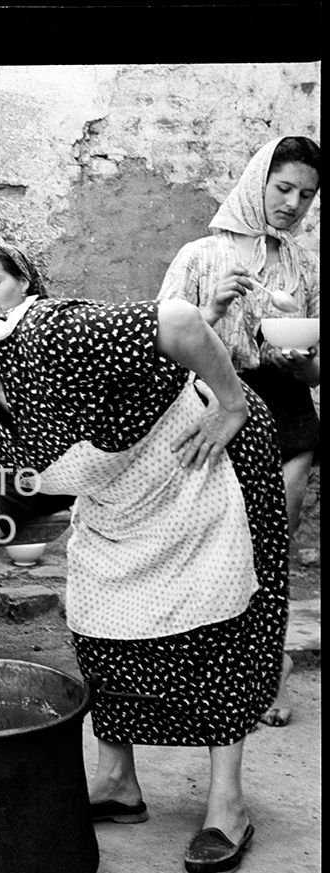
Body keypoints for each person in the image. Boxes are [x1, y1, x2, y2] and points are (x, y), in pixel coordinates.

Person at [0, 271, 288, 873]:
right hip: (119, 497)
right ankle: (119, 784)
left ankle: (227, 808)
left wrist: (231, 404)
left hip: (199, 457)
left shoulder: (54, 338)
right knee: (97, 620)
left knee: (215, 624)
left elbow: (180, 323)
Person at [158, 135, 320, 727]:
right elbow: (163, 344)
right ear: (258, 183)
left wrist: (303, 363)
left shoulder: (305, 265)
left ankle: (271, 671)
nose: (294, 204)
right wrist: (213, 313)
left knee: (275, 546)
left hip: (289, 411)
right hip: (217, 404)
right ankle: (206, 673)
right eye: (283, 188)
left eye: (306, 195)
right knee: (212, 542)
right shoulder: (199, 256)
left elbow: (318, 362)